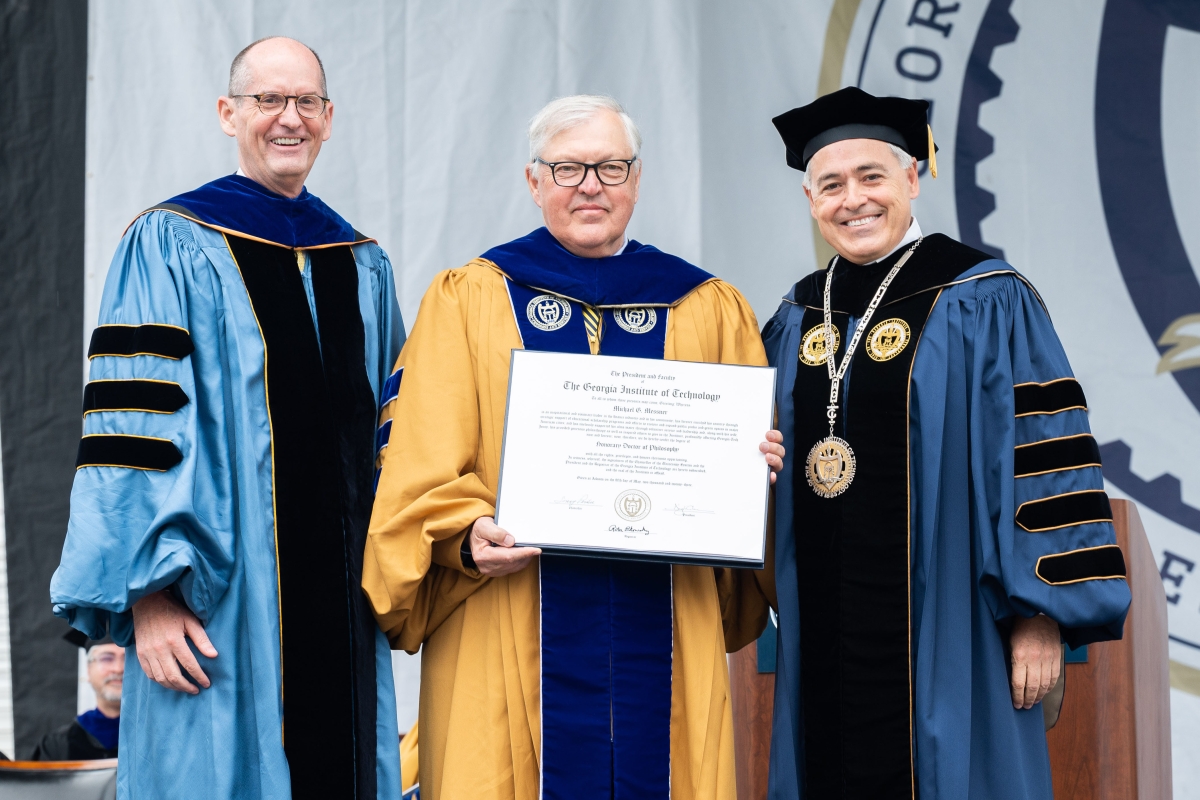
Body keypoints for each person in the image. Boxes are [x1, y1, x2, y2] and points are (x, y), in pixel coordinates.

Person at [363, 94, 782, 800]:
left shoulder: (707, 307)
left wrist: (751, 475)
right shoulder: (468, 299)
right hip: (509, 614)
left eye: (610, 167)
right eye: (567, 168)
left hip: (668, 623)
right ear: (535, 182)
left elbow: (745, 505)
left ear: (637, 179)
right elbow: (418, 459)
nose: (590, 185)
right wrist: (465, 534)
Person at [50, 36, 404, 799]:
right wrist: (147, 598)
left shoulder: (362, 263)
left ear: (329, 118)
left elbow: (397, 440)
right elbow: (133, 430)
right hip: (216, 607)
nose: (289, 119)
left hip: (342, 618)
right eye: (268, 100)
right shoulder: (171, 243)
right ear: (227, 113)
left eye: (306, 101)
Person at [761, 86, 1132, 800]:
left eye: (872, 176)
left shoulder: (984, 296)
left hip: (955, 623)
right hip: (826, 634)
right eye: (831, 185)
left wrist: (1041, 616)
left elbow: (1044, 456)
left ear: (912, 177)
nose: (853, 200)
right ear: (811, 200)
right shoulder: (796, 313)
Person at [32, 637, 123, 761]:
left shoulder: (154, 738)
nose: (118, 668)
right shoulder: (58, 745)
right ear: (88, 670)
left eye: (128, 658)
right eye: (107, 658)